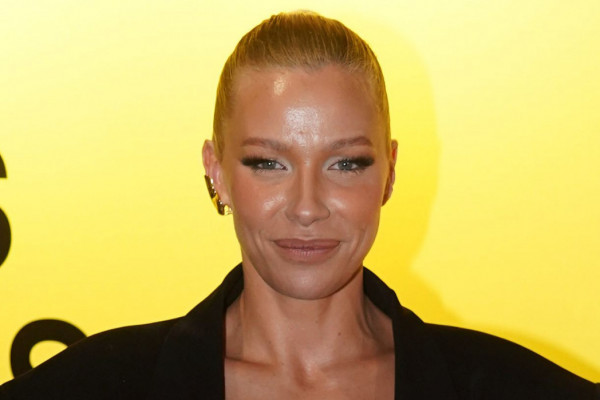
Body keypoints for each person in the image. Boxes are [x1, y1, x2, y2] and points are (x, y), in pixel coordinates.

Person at [1, 10, 598, 400]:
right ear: (216, 171)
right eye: (268, 163)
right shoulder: (87, 387)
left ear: (389, 171)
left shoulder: (517, 387)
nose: (307, 206)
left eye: (346, 163)